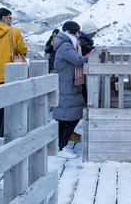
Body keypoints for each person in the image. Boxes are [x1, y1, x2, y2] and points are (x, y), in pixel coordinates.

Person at [0, 8, 28, 137]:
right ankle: (11, 132)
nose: (10, 20)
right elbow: (22, 49)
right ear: (4, 18)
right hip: (11, 73)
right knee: (13, 104)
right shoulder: (13, 31)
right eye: (10, 17)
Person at [53, 21, 89, 159]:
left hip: (67, 84)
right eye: (78, 32)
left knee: (65, 118)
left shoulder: (65, 45)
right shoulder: (67, 46)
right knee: (70, 117)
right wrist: (92, 56)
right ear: (75, 33)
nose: (79, 35)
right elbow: (78, 60)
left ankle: (60, 146)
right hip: (66, 85)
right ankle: (61, 147)